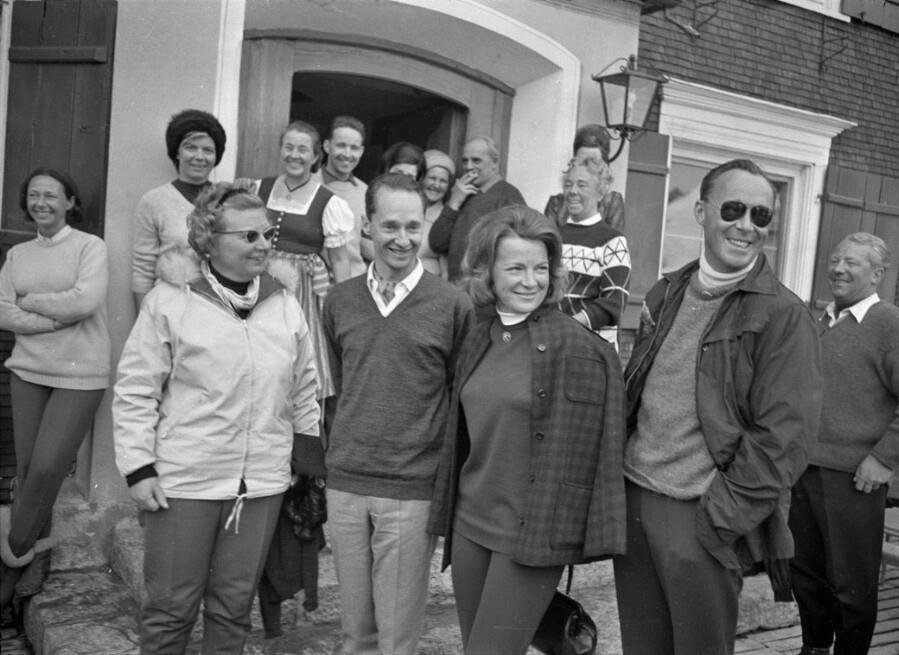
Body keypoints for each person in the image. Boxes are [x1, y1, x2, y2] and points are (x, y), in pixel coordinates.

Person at [614, 158, 823, 655]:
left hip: (702, 517)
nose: (746, 225)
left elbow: (784, 440)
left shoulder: (784, 315)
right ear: (702, 212)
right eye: (733, 209)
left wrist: (719, 521)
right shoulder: (666, 292)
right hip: (635, 500)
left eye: (760, 215)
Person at [112, 183, 324, 654]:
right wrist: (139, 468)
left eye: (267, 234)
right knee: (170, 612)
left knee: (233, 610)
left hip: (262, 482)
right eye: (249, 236)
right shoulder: (170, 301)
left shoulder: (284, 303)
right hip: (185, 481)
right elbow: (136, 387)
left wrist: (305, 462)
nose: (263, 245)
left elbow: (304, 388)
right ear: (209, 239)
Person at [428, 205, 626, 655]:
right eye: (515, 268)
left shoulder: (582, 350)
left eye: (540, 268)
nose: (530, 281)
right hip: (470, 525)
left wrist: (573, 536)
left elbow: (599, 451)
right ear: (487, 271)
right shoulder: (477, 334)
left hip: (531, 536)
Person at [322, 173, 473, 655]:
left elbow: (459, 397)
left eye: (412, 226)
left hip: (411, 488)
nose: (402, 239)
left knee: (395, 639)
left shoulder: (452, 305)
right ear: (367, 224)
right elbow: (341, 386)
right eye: (390, 226)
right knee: (355, 634)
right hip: (346, 484)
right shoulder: (339, 300)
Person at [789, 233, 899, 655]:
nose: (838, 268)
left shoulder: (889, 324)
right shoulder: (821, 320)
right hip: (803, 470)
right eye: (835, 259)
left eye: (852, 263)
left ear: (877, 275)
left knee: (851, 583)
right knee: (806, 573)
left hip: (853, 480)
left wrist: (883, 458)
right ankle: (814, 648)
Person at [0, 168, 109, 615]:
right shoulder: (17, 255)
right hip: (27, 371)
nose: (41, 202)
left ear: (70, 202)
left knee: (47, 469)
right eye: (34, 195)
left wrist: (31, 303)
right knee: (29, 471)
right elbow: (2, 311)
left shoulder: (90, 247)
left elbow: (85, 301)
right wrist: (54, 319)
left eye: (51, 195)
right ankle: (35, 560)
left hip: (80, 373)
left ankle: (8, 566)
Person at [248, 120, 353, 401]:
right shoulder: (258, 189)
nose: (294, 155)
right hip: (257, 280)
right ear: (281, 150)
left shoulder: (328, 201)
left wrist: (342, 304)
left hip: (301, 289)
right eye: (289, 147)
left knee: (295, 354)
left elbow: (340, 259)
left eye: (303, 150)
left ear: (316, 156)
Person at [131, 108, 227, 307]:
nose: (199, 156)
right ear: (177, 152)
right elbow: (143, 270)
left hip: (221, 306)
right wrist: (145, 318)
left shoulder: (229, 198)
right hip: (170, 305)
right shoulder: (153, 201)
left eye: (208, 150)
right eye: (190, 148)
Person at [428, 136, 525, 281]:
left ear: (494, 163)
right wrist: (453, 203)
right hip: (456, 287)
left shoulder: (509, 196)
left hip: (483, 288)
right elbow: (437, 242)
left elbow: (517, 253)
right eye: (465, 161)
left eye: (476, 160)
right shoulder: (462, 193)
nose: (468, 167)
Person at [557, 156, 631, 347]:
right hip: (551, 344)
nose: (573, 191)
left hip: (592, 348)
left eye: (582, 185)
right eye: (568, 184)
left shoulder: (613, 241)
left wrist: (567, 326)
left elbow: (614, 303)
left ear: (601, 192)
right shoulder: (552, 237)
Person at [544, 124, 626, 231]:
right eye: (582, 162)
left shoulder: (612, 203)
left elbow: (612, 237)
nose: (586, 168)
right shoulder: (557, 204)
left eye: (593, 162)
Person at [320, 115, 369, 275]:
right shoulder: (309, 185)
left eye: (354, 148)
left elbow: (368, 246)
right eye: (341, 145)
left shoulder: (367, 192)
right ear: (327, 146)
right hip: (315, 283)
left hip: (356, 282)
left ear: (361, 151)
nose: (347, 154)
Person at [419, 149, 454, 278]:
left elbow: (446, 272)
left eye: (443, 181)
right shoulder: (408, 209)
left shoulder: (446, 218)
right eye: (432, 178)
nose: (436, 185)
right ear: (422, 179)